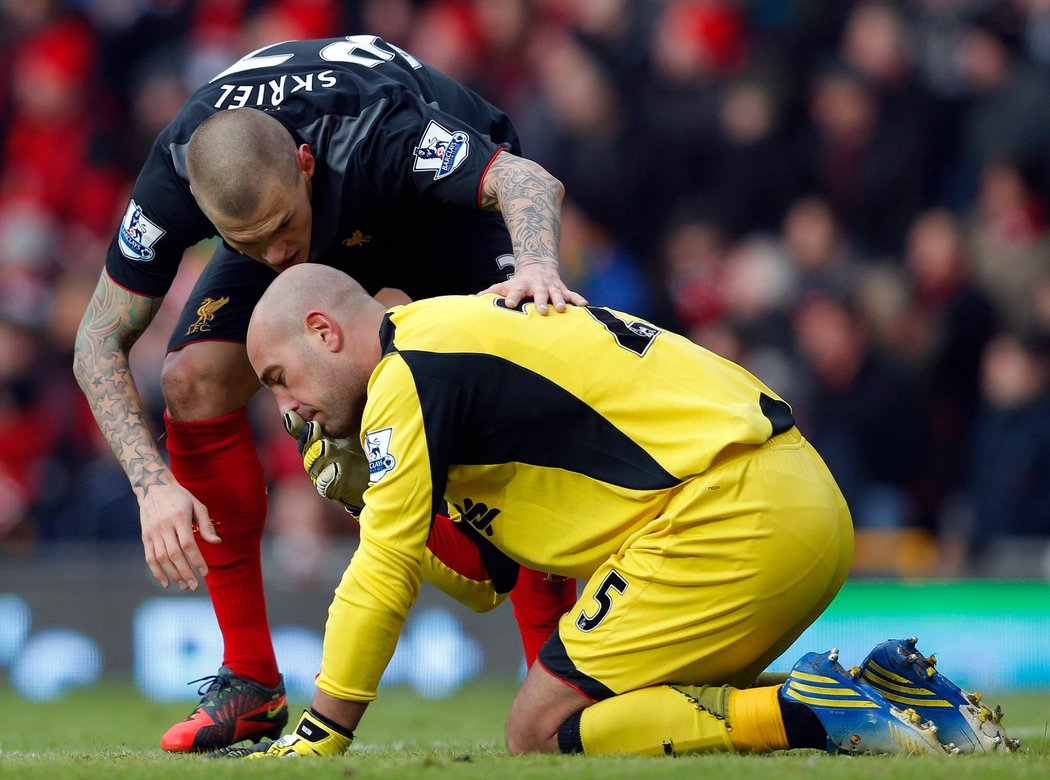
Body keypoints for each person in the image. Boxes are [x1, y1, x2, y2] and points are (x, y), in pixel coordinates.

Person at [232, 264, 1017, 759]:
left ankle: (809, 709)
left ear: (325, 332)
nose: (285, 405)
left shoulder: (409, 372)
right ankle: (891, 690)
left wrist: (322, 732)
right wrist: (367, 495)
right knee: (644, 708)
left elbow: (385, 570)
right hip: (791, 496)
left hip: (723, 513)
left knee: (537, 730)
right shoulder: (451, 353)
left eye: (276, 376)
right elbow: (485, 579)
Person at [72, 35, 583, 752]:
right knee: (191, 380)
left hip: (433, 211)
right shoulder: (179, 176)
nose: (276, 258)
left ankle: (552, 674)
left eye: (279, 229)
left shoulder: (379, 128)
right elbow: (96, 341)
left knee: (512, 391)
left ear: (304, 164)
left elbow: (529, 182)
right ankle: (250, 681)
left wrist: (534, 269)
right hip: (303, 201)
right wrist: (150, 483)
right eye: (242, 241)